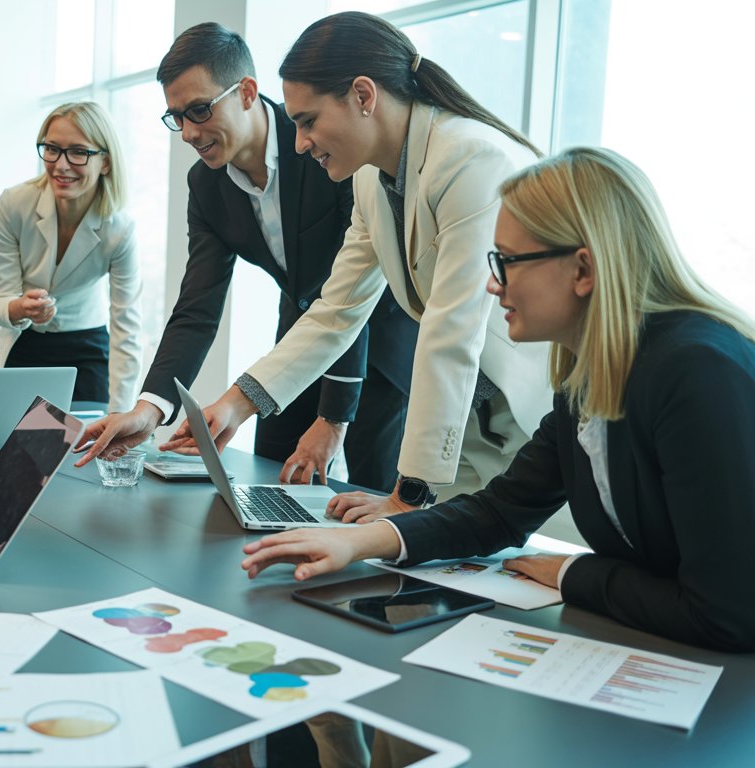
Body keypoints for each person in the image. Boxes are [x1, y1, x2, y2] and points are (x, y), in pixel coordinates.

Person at [242, 147, 755, 653]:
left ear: (583, 270)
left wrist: (572, 571)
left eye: (507, 262)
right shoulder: (588, 375)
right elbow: (501, 512)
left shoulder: (699, 372)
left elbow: (724, 613)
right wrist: (358, 542)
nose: (491, 284)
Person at [170, 12, 551, 516]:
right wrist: (236, 404)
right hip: (469, 425)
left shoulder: (470, 158)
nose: (300, 142)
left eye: (307, 121)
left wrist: (407, 493)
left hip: (528, 414)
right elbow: (336, 311)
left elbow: (451, 329)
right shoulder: (371, 182)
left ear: (363, 96)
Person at [74, 23, 417, 490]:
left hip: (379, 344)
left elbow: (349, 292)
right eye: (177, 117)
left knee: (372, 497)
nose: (189, 133)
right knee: (271, 484)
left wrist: (333, 419)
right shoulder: (206, 185)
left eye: (199, 109)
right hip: (299, 337)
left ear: (248, 93)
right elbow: (197, 307)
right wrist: (148, 409)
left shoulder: (326, 149)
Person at [0, 101, 143, 411]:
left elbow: (126, 326)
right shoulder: (14, 204)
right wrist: (21, 308)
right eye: (52, 149)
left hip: (86, 349)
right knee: (21, 454)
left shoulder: (119, 229)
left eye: (78, 152)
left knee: (82, 450)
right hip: (26, 344)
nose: (61, 165)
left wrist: (120, 414)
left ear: (106, 162)